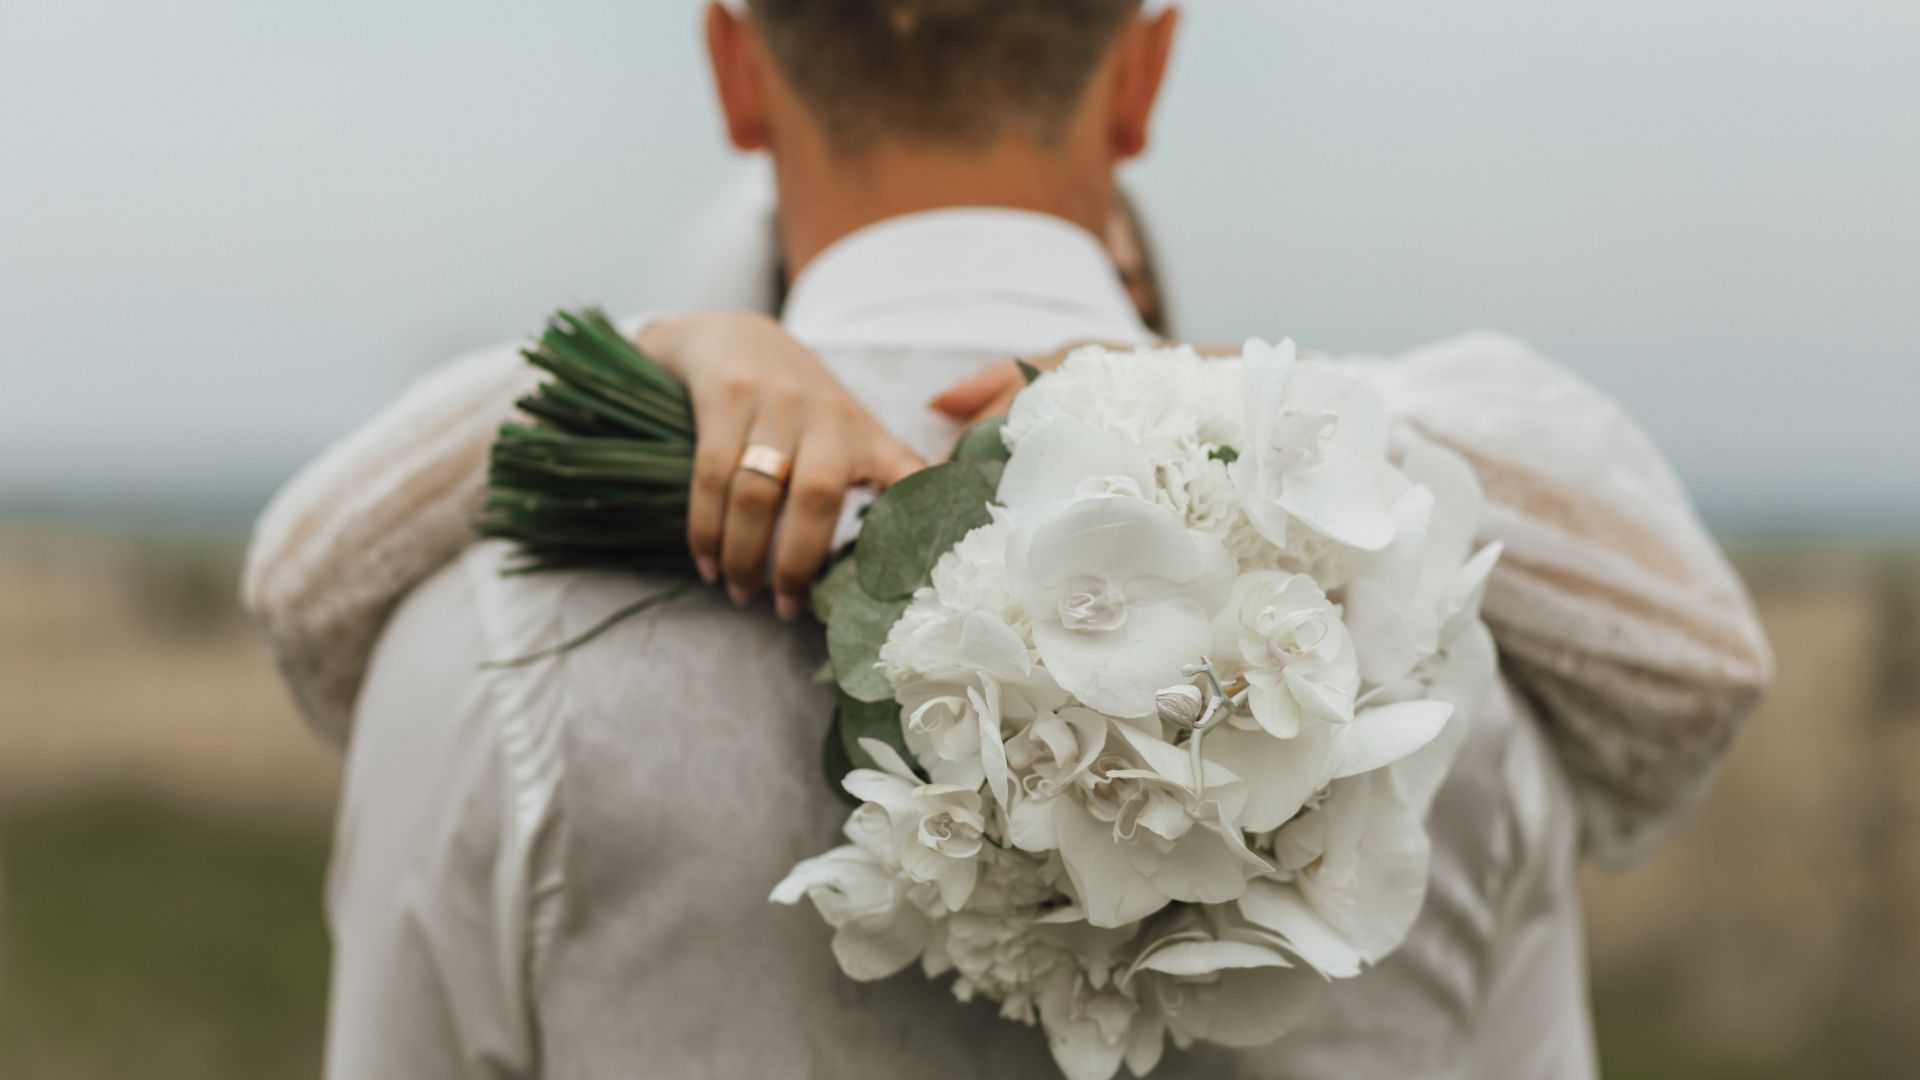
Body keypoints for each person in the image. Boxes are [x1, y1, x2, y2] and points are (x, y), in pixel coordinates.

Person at [243, 3, 1772, 1077]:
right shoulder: (1437, 645)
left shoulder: (487, 640)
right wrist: (1305, 426)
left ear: (735, 67)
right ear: (1143, 73)